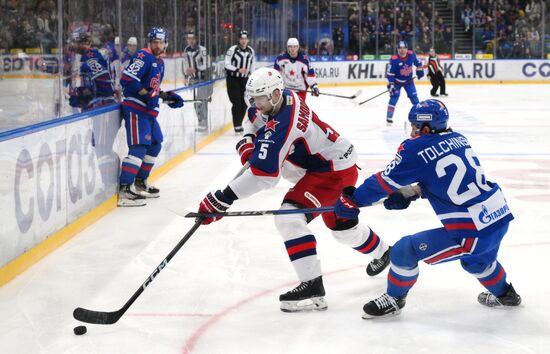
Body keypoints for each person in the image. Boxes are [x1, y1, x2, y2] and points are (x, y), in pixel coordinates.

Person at [196, 67, 391, 312]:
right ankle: (385, 253)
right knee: (341, 228)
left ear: (276, 94)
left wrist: (222, 198)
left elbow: (265, 176)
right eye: (253, 98)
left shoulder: (285, 122)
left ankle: (313, 287)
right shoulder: (276, 100)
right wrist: (247, 140)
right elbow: (251, 117)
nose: (255, 104)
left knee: (289, 218)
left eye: (259, 99)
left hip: (333, 170)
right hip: (321, 166)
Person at [333, 99, 521, 319]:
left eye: (414, 126)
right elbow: (446, 176)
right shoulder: (459, 138)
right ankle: (506, 295)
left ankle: (394, 299)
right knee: (477, 262)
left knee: (405, 250)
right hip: (498, 215)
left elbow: (381, 183)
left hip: (473, 229)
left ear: (425, 127)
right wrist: (413, 191)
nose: (412, 131)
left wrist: (353, 200)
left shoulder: (415, 148)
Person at [118, 27, 184, 207]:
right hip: (136, 109)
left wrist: (165, 96)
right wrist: (145, 93)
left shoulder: (159, 61)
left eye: (161, 42)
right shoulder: (143, 56)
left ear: (166, 43)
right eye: (155, 41)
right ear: (149, 42)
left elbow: (152, 88)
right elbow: (127, 79)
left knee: (155, 143)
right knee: (139, 147)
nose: (158, 45)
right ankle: (125, 190)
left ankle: (140, 182)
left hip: (148, 111)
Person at [68, 30, 116, 110]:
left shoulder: (90, 54)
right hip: (104, 102)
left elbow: (96, 87)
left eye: (75, 42)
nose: (73, 46)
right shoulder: (89, 55)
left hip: (100, 104)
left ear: (82, 43)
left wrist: (80, 95)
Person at [385, 41, 424, 126]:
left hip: (408, 81)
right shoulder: (394, 59)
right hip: (396, 82)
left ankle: (420, 115)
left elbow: (419, 63)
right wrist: (391, 84)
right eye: (400, 48)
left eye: (404, 48)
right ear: (397, 49)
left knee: (414, 97)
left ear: (407, 49)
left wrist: (419, 71)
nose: (402, 50)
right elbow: (390, 74)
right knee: (394, 97)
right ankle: (389, 117)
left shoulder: (412, 54)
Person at [224, 30, 255, 133]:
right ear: (239, 39)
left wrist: (252, 78)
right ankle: (237, 125)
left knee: (245, 103)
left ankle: (239, 123)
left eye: (245, 39)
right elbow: (226, 64)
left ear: (248, 40)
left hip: (245, 80)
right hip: (233, 79)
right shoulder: (232, 50)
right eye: (242, 39)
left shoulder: (251, 51)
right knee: (236, 102)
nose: (244, 41)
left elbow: (252, 66)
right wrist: (238, 69)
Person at [274, 37, 320, 102]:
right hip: (286, 90)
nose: (293, 49)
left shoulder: (304, 59)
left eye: (295, 47)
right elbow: (276, 74)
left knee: (299, 110)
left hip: (300, 90)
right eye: (290, 47)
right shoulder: (281, 58)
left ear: (298, 47)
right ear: (287, 47)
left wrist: (314, 86)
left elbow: (309, 75)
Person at [183, 32, 211, 132]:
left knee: (202, 101)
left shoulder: (202, 50)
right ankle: (200, 121)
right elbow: (185, 64)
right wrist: (186, 75)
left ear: (196, 39)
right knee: (196, 102)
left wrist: (197, 69)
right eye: (189, 38)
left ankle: (204, 122)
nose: (191, 40)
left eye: (193, 38)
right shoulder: (186, 50)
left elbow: (207, 64)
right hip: (193, 80)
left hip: (203, 79)